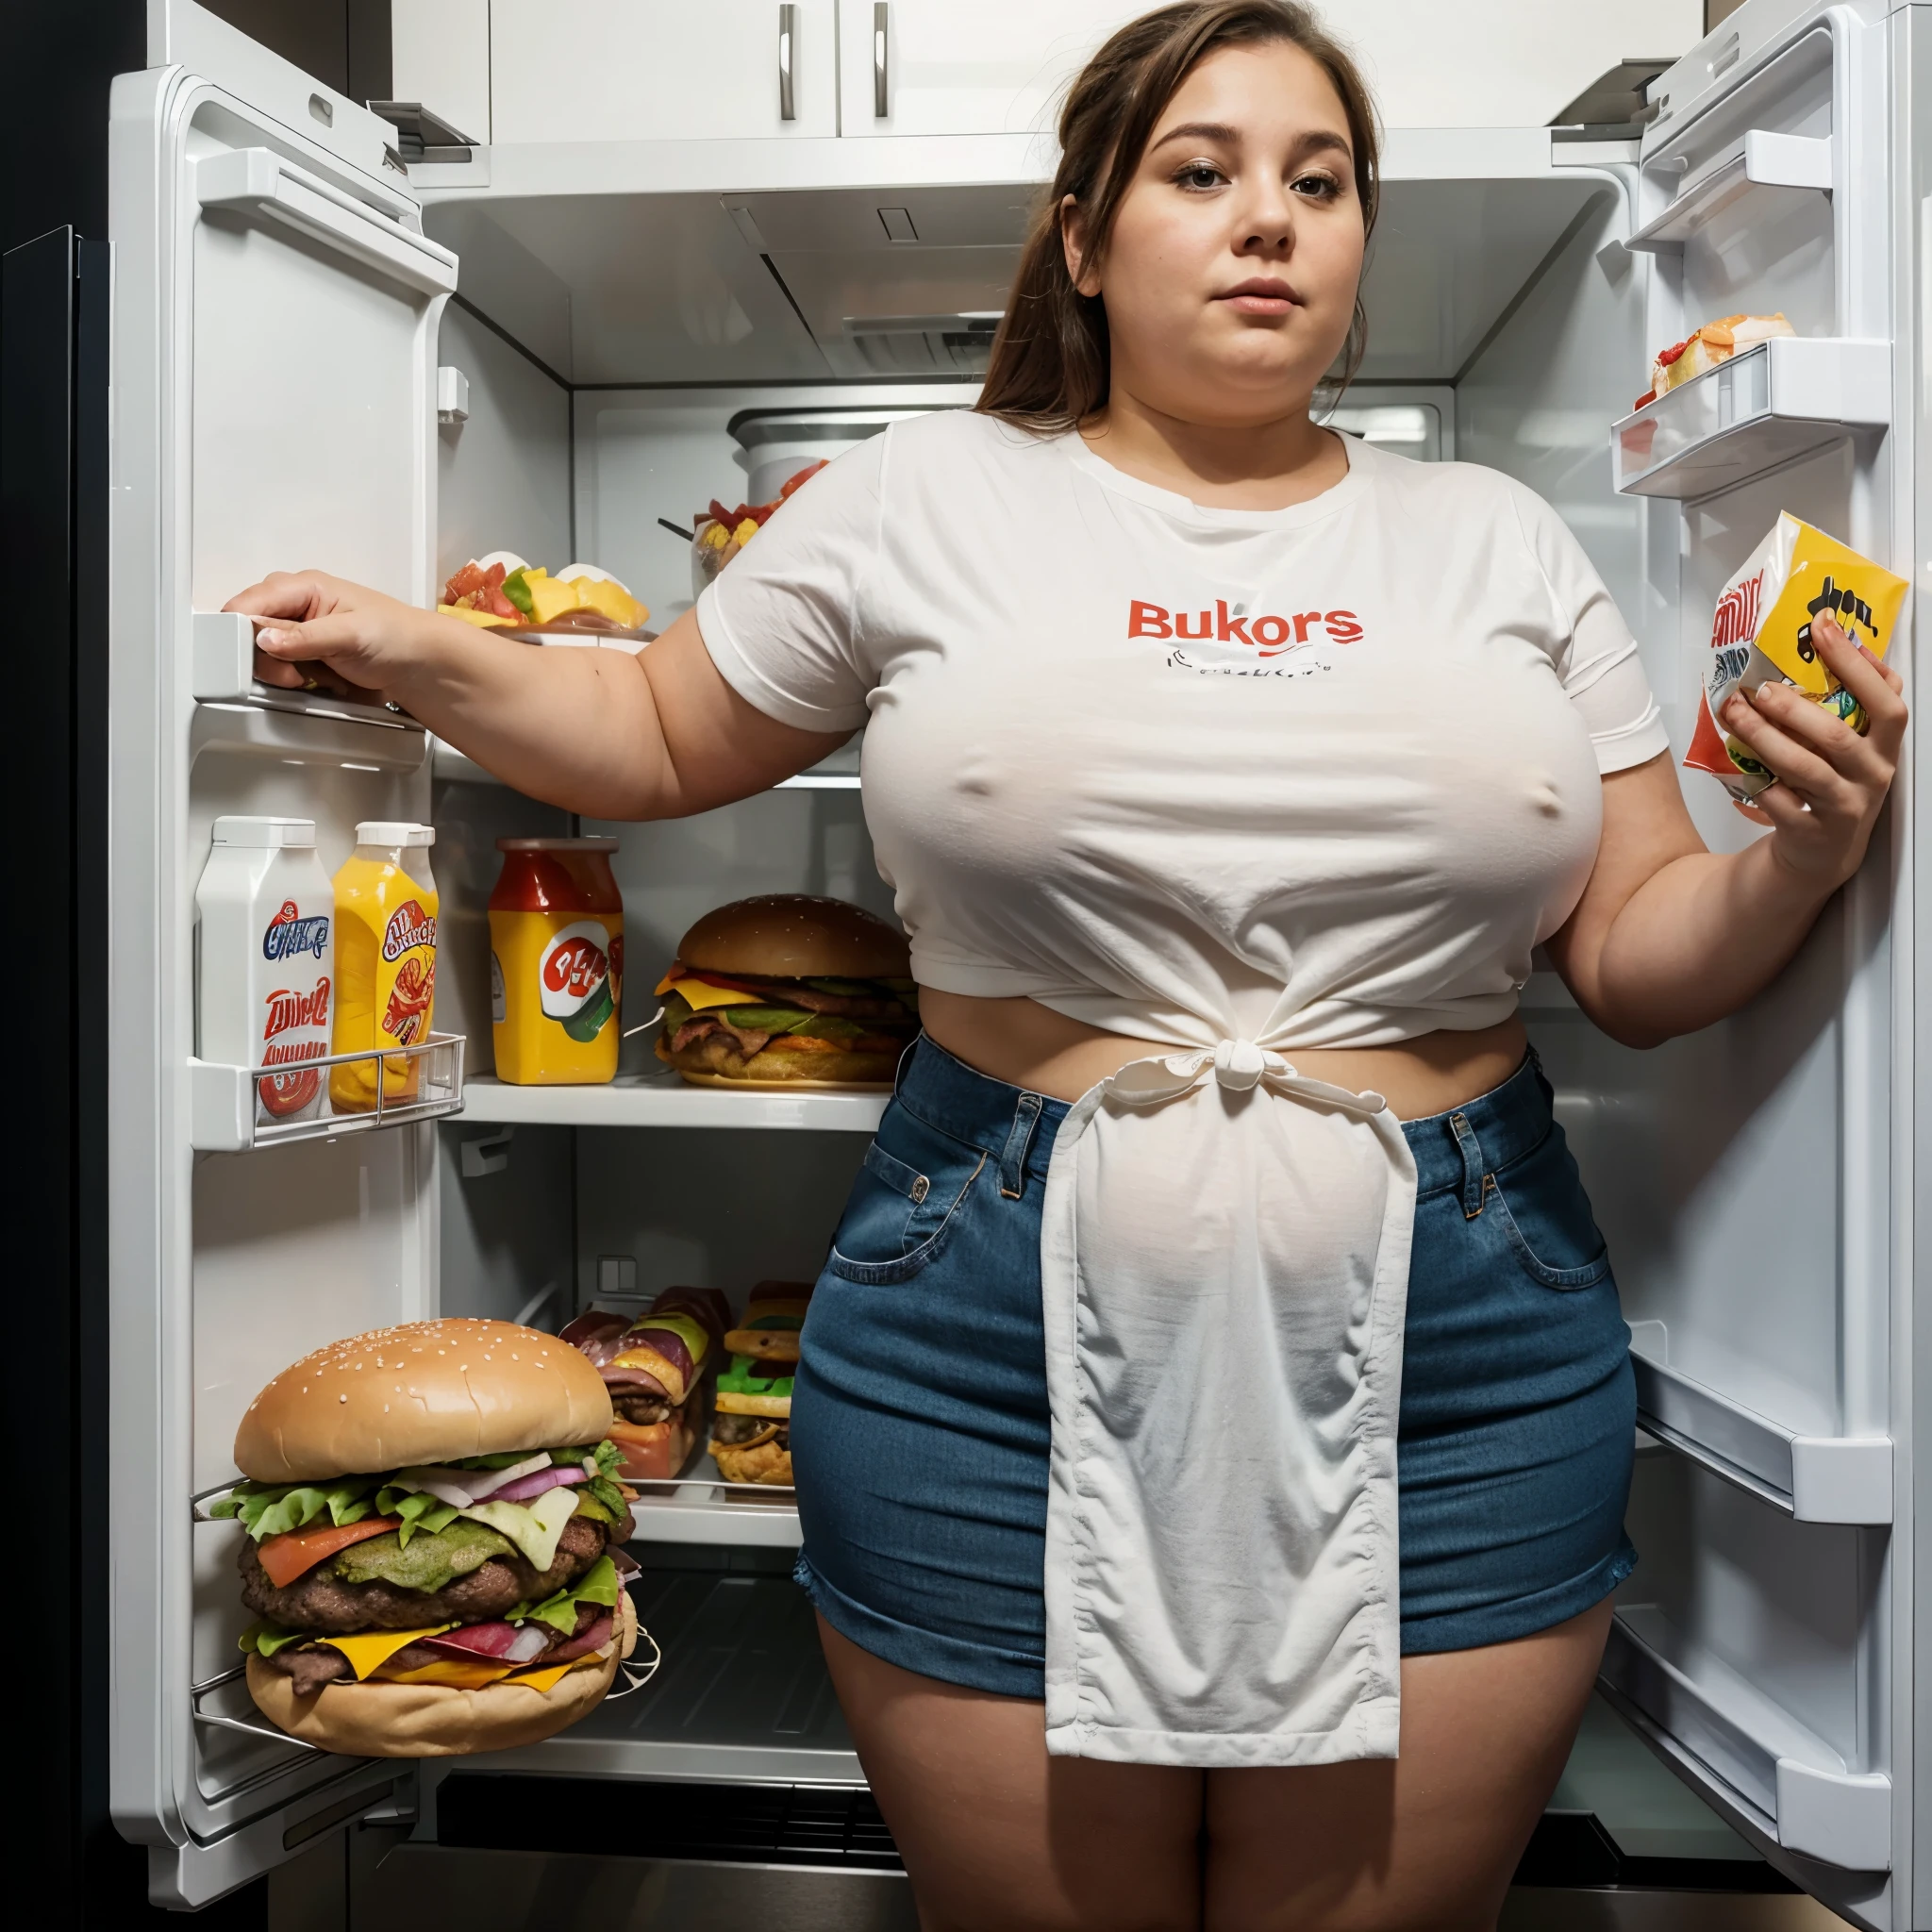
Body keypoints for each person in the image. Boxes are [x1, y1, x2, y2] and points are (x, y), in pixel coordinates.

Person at [227, 4, 1906, 1924]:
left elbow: (1628, 946)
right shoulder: (916, 494)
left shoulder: (1500, 539)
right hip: (980, 1317)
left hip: (1465, 1324)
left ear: (1361, 238)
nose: (1267, 218)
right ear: (1087, 237)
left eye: (1318, 179)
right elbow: (668, 735)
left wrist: (1810, 848)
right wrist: (416, 650)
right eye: (1201, 172)